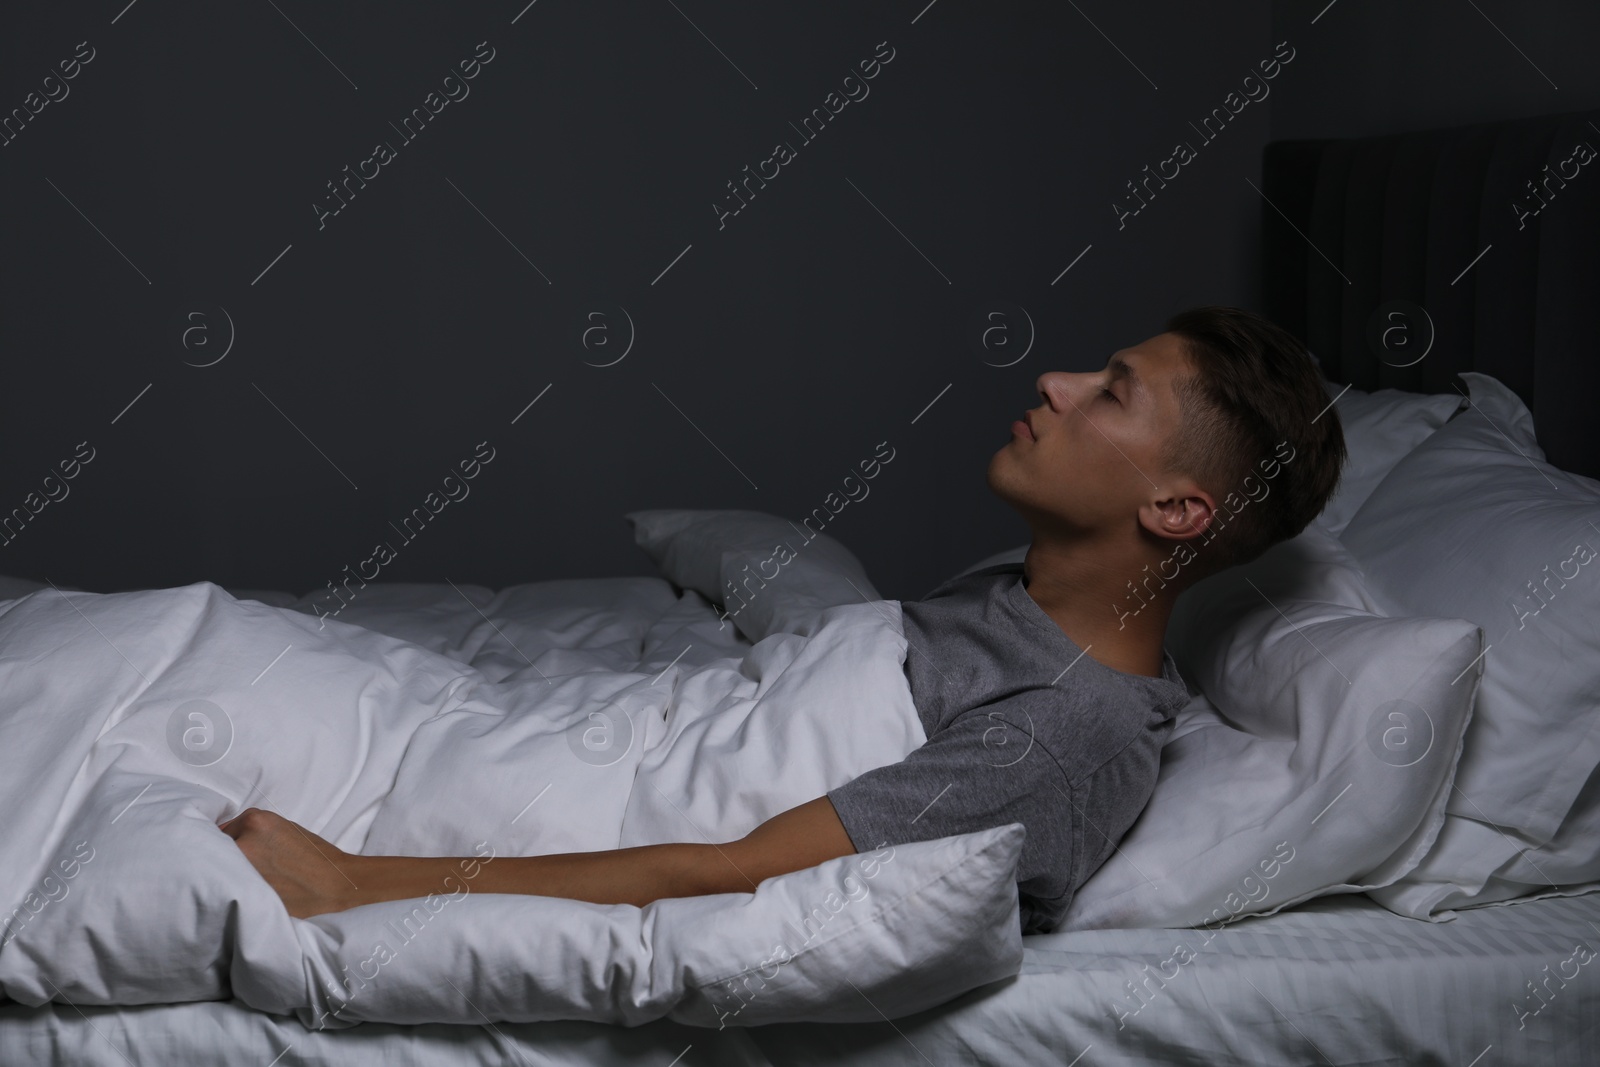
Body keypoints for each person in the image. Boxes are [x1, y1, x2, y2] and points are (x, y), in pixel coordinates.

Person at [222, 305, 1346, 933]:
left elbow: (726, 868)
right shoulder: (1017, 603)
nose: (1053, 381)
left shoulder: (1061, 737)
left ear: (1176, 507)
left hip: (525, 814)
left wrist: (362, 883)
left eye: (1108, 390)